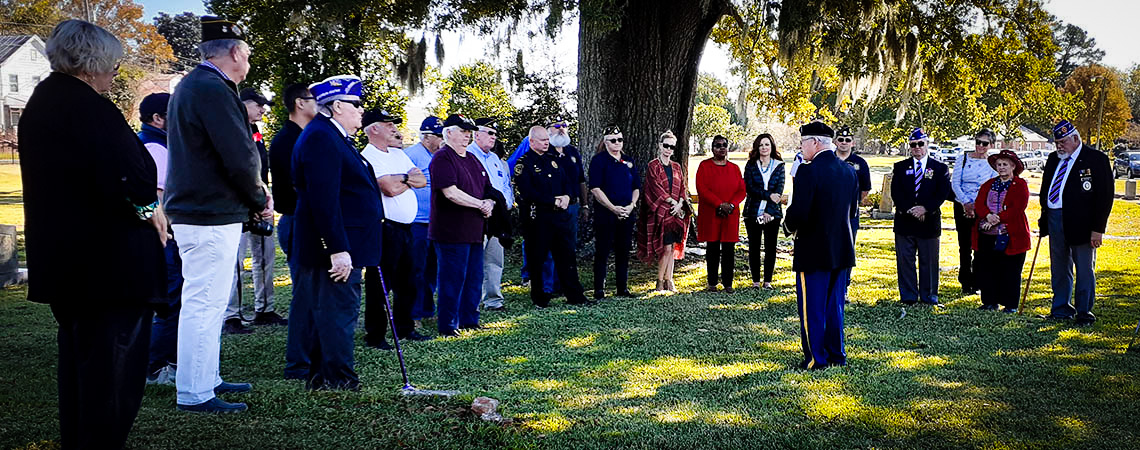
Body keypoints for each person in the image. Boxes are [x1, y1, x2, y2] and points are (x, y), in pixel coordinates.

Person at [21, 20, 166, 447]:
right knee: (111, 379)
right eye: (113, 66)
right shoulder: (87, 106)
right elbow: (130, 175)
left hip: (71, 266)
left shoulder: (45, 100)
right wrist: (149, 209)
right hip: (107, 271)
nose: (114, 74)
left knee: (83, 371)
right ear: (92, 64)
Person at [165, 16, 269, 413]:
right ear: (235, 53)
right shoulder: (212, 88)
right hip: (207, 211)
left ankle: (206, 377)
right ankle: (194, 392)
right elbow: (239, 155)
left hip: (204, 208)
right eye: (246, 53)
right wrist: (259, 196)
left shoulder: (198, 85)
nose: (247, 61)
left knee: (208, 300)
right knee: (205, 302)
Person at [289, 75, 383, 390]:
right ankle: (338, 379)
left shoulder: (332, 136)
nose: (362, 111)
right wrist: (337, 249)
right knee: (337, 312)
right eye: (356, 104)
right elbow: (323, 200)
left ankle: (323, 376)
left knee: (330, 311)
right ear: (338, 105)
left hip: (341, 242)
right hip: (334, 246)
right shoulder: (321, 137)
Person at [785, 122, 859, 370]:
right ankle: (837, 355)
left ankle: (817, 358)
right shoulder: (849, 171)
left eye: (803, 142)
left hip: (814, 248)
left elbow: (800, 212)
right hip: (842, 248)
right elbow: (853, 211)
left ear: (815, 143)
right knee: (834, 306)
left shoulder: (809, 171)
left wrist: (787, 225)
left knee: (812, 308)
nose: (801, 147)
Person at [359, 109, 432, 348]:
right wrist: (405, 180)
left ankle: (405, 328)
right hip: (385, 229)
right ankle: (376, 335)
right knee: (380, 284)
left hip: (407, 229)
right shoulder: (369, 155)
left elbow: (421, 180)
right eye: (387, 123)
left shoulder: (398, 154)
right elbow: (386, 188)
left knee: (408, 282)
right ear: (374, 128)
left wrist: (400, 179)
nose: (393, 127)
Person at [1038, 120, 1114, 325]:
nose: (1059, 146)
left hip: (1082, 222)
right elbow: (1046, 188)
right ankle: (1061, 308)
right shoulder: (1054, 159)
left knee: (1084, 267)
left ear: (1075, 138)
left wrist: (1098, 229)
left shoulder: (1096, 159)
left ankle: (1084, 311)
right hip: (1055, 218)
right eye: (1056, 143)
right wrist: (1044, 217)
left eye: (1063, 142)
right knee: (1059, 266)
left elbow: (1105, 197)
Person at [223, 87, 284, 334]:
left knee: (264, 257)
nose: (262, 109)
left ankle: (265, 309)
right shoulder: (230, 130)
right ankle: (232, 316)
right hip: (237, 207)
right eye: (257, 104)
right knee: (236, 262)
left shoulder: (255, 131)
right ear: (243, 105)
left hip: (260, 205)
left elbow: (260, 169)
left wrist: (264, 200)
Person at [515, 126, 593, 307]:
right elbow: (526, 192)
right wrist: (552, 200)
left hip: (560, 217)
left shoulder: (554, 161)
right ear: (532, 142)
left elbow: (567, 182)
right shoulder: (524, 163)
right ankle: (540, 298)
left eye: (546, 140)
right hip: (538, 218)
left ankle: (575, 296)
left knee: (566, 256)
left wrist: (567, 196)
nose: (546, 143)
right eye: (542, 140)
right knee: (538, 258)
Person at [272, 82, 318, 380]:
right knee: (304, 294)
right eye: (315, 100)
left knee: (314, 293)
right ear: (300, 103)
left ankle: (312, 354)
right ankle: (298, 364)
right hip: (297, 221)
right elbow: (297, 187)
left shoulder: (305, 137)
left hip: (307, 221)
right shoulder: (288, 140)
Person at [136, 92, 182, 386]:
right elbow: (158, 197)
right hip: (163, 238)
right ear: (157, 118)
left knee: (168, 300)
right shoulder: (156, 147)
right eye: (173, 114)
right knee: (169, 302)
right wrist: (174, 233)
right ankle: (155, 367)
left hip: (158, 237)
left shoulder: (150, 142)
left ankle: (162, 363)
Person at [430, 114, 490, 336]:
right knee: (452, 279)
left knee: (474, 278)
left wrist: (490, 202)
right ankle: (448, 325)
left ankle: (469, 320)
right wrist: (480, 205)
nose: (467, 136)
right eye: (462, 131)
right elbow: (451, 193)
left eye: (469, 132)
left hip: (474, 230)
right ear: (448, 133)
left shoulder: (472, 159)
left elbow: (488, 188)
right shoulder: (442, 158)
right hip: (451, 231)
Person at [889, 128, 951, 306]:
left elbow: (942, 192)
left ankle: (929, 296)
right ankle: (908, 296)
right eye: (913, 145)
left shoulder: (940, 168)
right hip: (905, 222)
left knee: (929, 262)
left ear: (927, 144)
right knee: (905, 261)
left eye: (920, 144)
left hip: (929, 222)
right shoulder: (900, 167)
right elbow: (896, 192)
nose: (917, 148)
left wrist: (925, 209)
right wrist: (911, 209)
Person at [972, 150, 1030, 313]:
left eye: (1005, 164)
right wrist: (988, 216)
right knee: (988, 268)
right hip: (987, 234)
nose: (1002, 167)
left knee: (1010, 270)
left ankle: (1010, 304)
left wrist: (997, 218)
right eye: (999, 164)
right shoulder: (988, 184)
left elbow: (1018, 207)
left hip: (1011, 235)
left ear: (1013, 166)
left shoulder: (1020, 185)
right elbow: (979, 204)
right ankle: (990, 301)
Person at [589, 125, 640, 299]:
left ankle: (622, 288)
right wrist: (612, 208)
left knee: (623, 251)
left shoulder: (628, 161)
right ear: (605, 142)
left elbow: (636, 187)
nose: (617, 143)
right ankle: (599, 290)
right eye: (613, 140)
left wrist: (632, 205)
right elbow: (595, 189)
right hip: (606, 214)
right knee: (602, 251)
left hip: (626, 213)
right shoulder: (599, 161)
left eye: (620, 139)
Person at [636, 130, 689, 293]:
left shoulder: (676, 166)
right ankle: (660, 281)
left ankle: (669, 279)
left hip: (676, 213)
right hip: (662, 212)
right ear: (660, 146)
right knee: (665, 248)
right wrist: (672, 202)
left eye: (672, 147)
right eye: (666, 145)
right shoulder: (653, 166)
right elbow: (655, 189)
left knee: (672, 248)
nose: (668, 149)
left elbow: (682, 188)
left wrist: (680, 204)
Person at [468, 117, 512, 311]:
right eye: (490, 133)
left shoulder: (495, 159)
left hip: (497, 215)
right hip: (476, 214)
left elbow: (504, 186)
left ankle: (493, 300)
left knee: (494, 260)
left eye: (495, 133)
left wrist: (507, 204)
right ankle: (471, 303)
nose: (494, 137)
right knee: (474, 260)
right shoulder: (468, 155)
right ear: (476, 134)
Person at [404, 117, 444, 326]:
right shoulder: (411, 155)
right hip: (417, 221)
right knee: (416, 269)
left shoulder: (440, 156)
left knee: (432, 269)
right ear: (426, 137)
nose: (442, 140)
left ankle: (428, 309)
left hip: (435, 221)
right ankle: (414, 314)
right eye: (439, 136)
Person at [696, 135, 747, 293]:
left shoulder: (734, 168)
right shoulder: (704, 166)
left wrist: (730, 205)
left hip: (730, 215)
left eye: (724, 145)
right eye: (718, 145)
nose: (721, 148)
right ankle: (711, 282)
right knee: (712, 248)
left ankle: (728, 283)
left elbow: (741, 190)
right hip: (712, 213)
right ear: (712, 148)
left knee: (728, 250)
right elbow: (701, 188)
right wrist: (719, 204)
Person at [950, 129, 998, 296]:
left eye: (984, 143)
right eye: (978, 142)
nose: (980, 146)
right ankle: (965, 281)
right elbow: (955, 183)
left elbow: (990, 187)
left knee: (980, 246)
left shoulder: (993, 164)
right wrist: (965, 203)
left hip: (982, 208)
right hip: (962, 205)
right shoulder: (962, 159)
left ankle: (978, 281)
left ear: (991, 145)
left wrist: (976, 206)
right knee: (964, 245)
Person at [742, 133, 785, 289]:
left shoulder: (779, 165)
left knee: (770, 247)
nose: (764, 148)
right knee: (754, 247)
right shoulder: (751, 165)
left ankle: (767, 281)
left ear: (772, 146)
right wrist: (768, 195)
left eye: (767, 144)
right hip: (752, 212)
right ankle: (755, 281)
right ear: (757, 148)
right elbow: (750, 188)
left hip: (772, 214)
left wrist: (769, 212)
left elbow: (778, 191)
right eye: (761, 145)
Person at [835, 127, 871, 292]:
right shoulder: (828, 160)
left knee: (847, 250)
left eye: (847, 140)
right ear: (835, 141)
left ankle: (844, 287)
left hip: (850, 214)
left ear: (853, 143)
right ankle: (829, 285)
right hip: (827, 213)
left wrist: (851, 204)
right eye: (841, 140)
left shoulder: (860, 163)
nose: (844, 143)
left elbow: (864, 190)